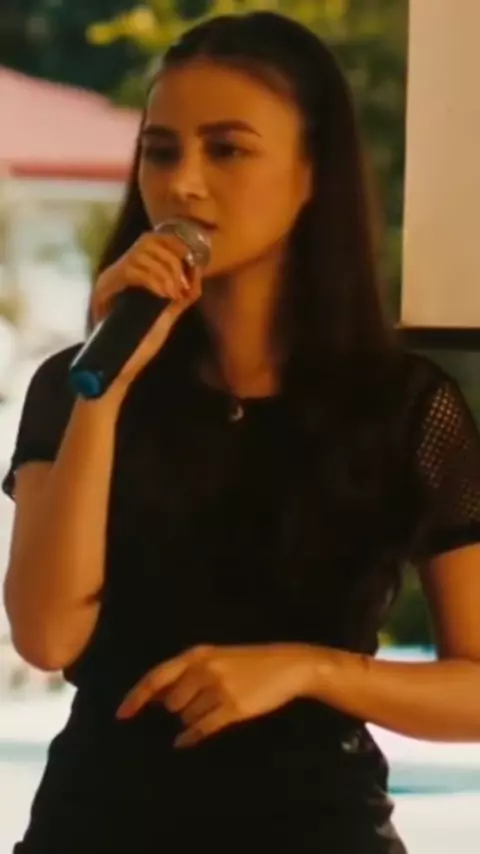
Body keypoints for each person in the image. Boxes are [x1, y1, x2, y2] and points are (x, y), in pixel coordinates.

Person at [3, 11, 480, 854]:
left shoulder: (403, 406)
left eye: (226, 150)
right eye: (160, 151)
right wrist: (107, 390)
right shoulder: (76, 384)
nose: (183, 184)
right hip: (98, 826)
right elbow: (46, 636)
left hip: (319, 829)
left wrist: (308, 668)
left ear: (312, 174)